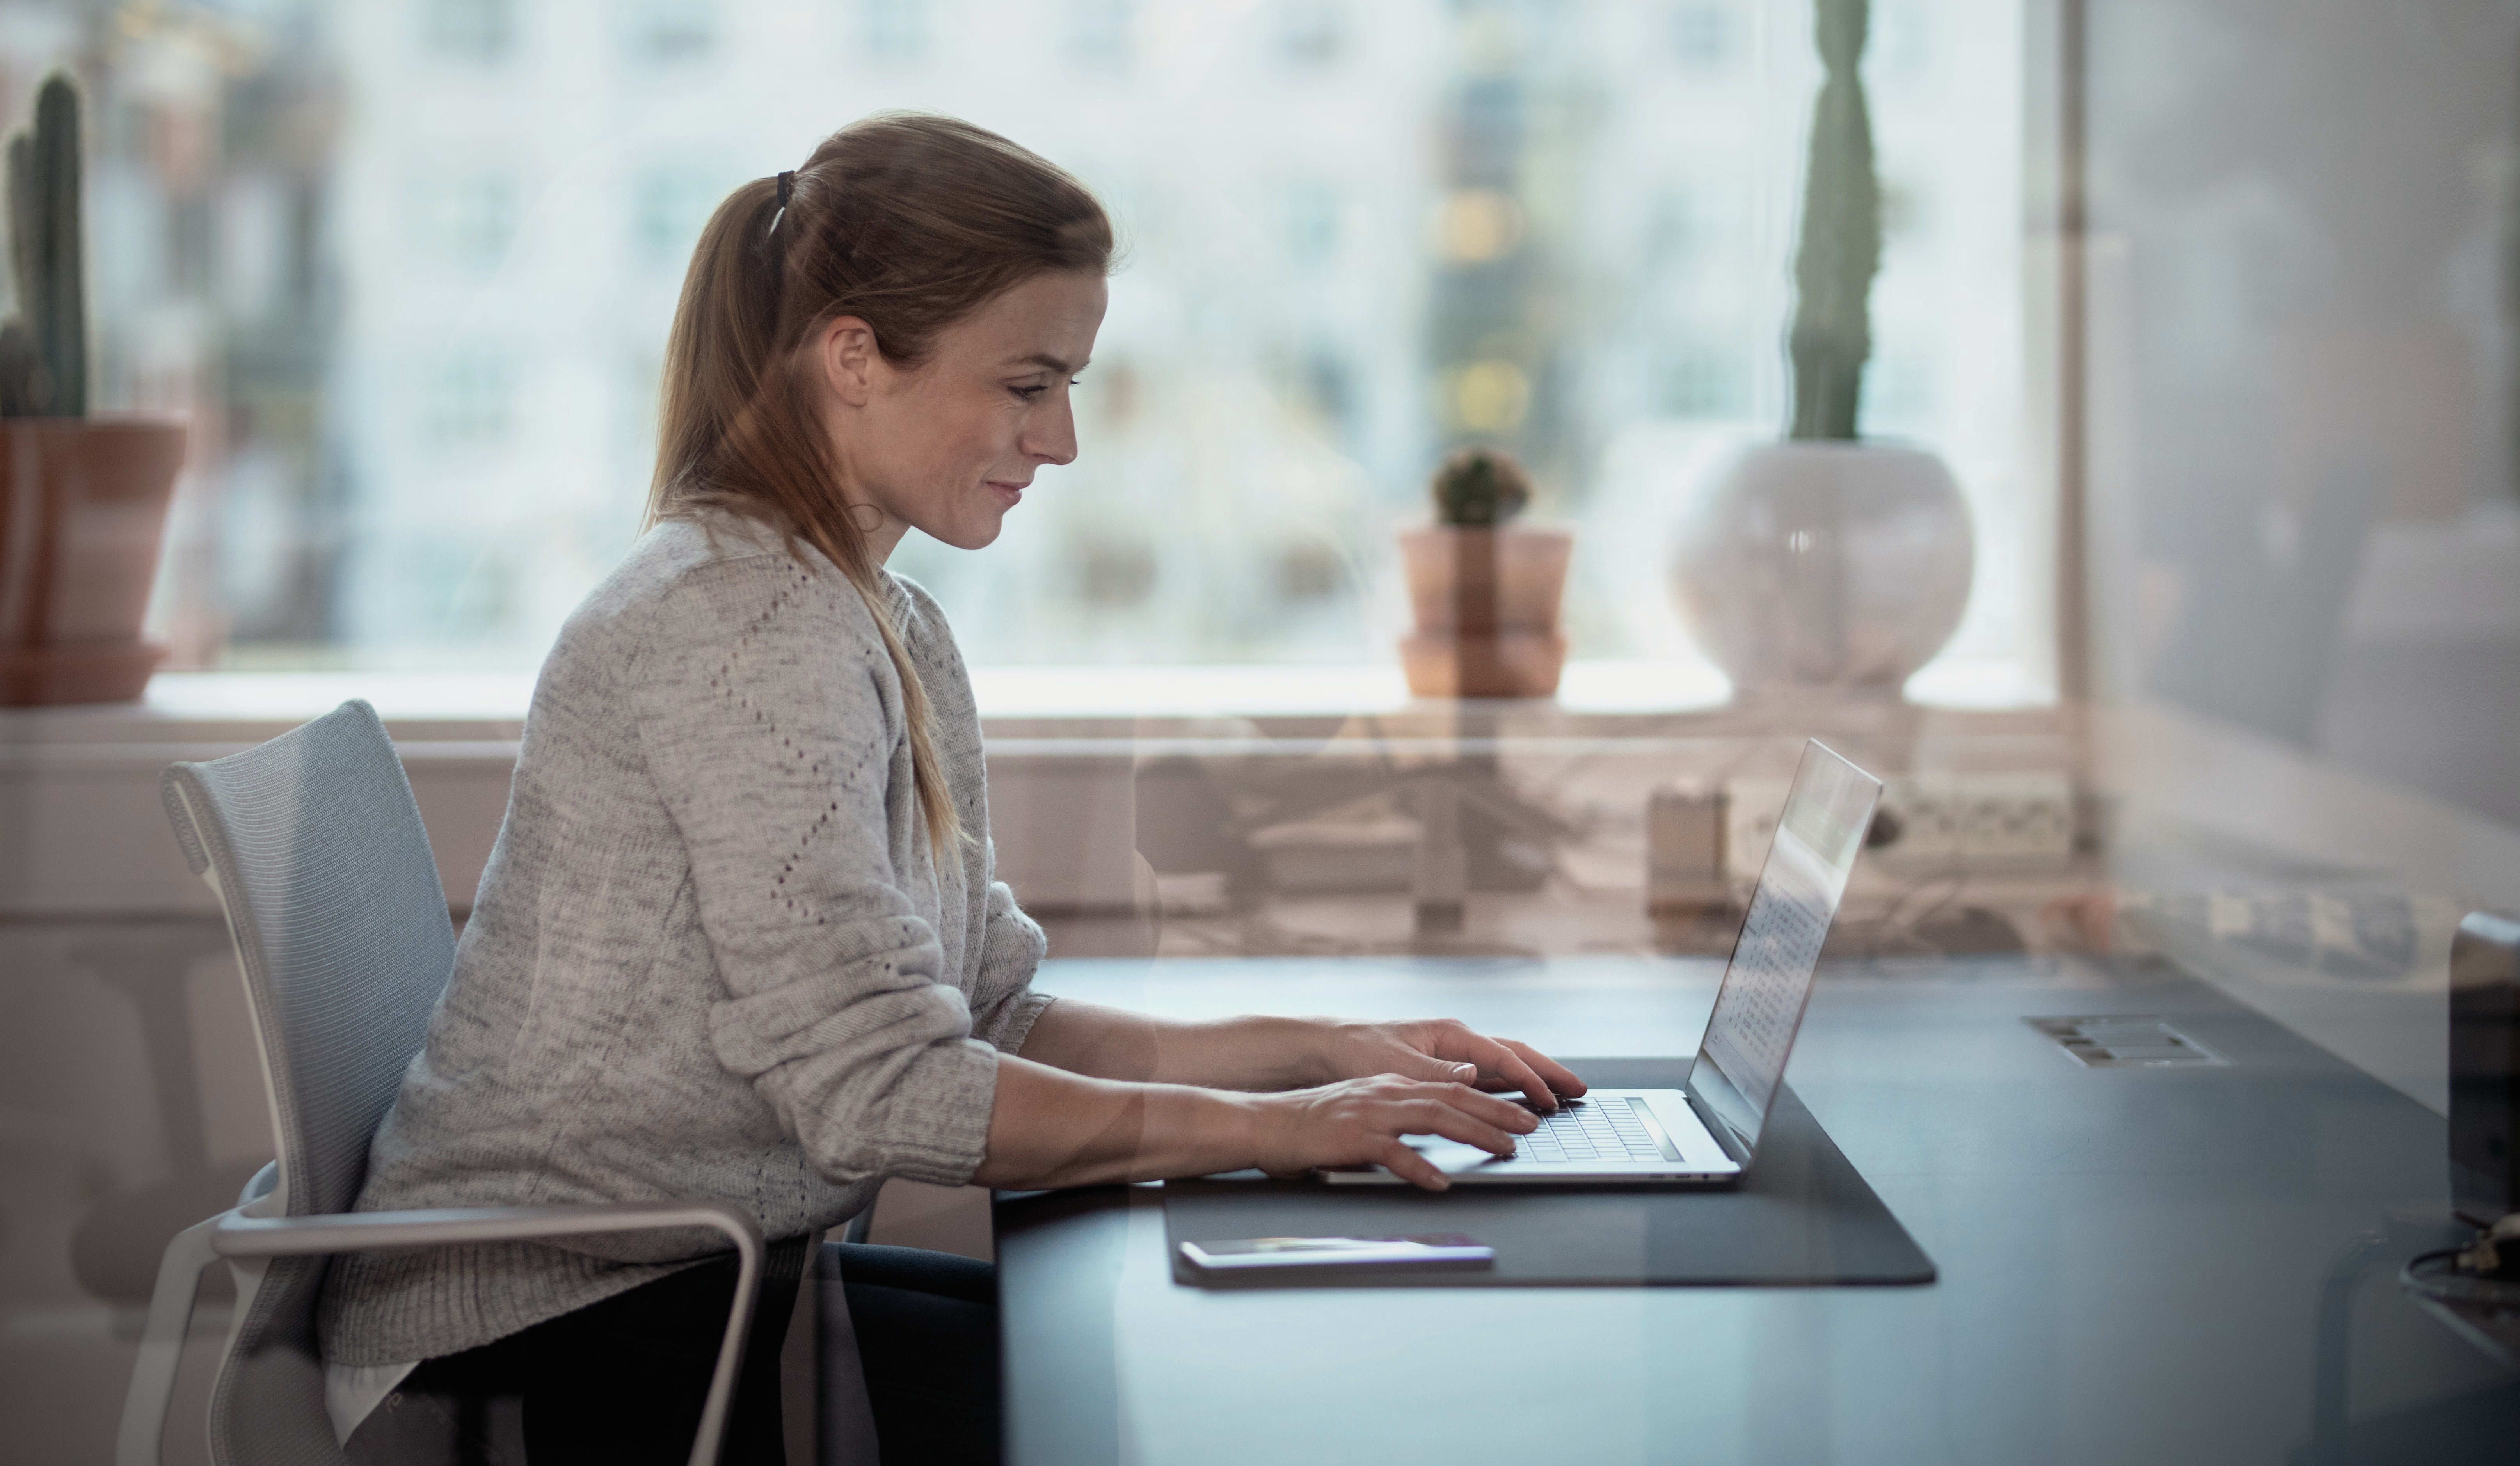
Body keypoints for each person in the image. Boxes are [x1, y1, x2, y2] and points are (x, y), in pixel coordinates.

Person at [321, 114, 1585, 1465]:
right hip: (541, 1333)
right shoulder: (738, 632)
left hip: (700, 1274)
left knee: (1158, 1368)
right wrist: (1279, 1134)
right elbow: (885, 1094)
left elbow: (989, 1009)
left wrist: (1325, 1052)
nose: (1064, 441)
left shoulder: (880, 618)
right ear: (854, 357)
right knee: (1166, 1409)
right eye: (1029, 384)